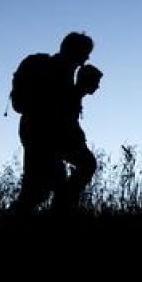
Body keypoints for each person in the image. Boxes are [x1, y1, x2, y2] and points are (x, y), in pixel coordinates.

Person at [13, 31, 94, 214]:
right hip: (43, 134)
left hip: (41, 133)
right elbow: (56, 109)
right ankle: (55, 216)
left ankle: (57, 214)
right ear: (72, 50)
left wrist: (80, 90)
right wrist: (80, 90)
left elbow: (66, 112)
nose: (86, 59)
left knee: (42, 187)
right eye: (84, 53)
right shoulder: (55, 71)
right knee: (38, 189)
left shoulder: (65, 71)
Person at [52, 63, 102, 211]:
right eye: (96, 82)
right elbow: (64, 121)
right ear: (87, 80)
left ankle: (63, 205)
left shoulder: (74, 95)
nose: (98, 87)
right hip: (62, 143)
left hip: (66, 142)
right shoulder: (72, 95)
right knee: (88, 164)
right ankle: (63, 206)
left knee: (62, 180)